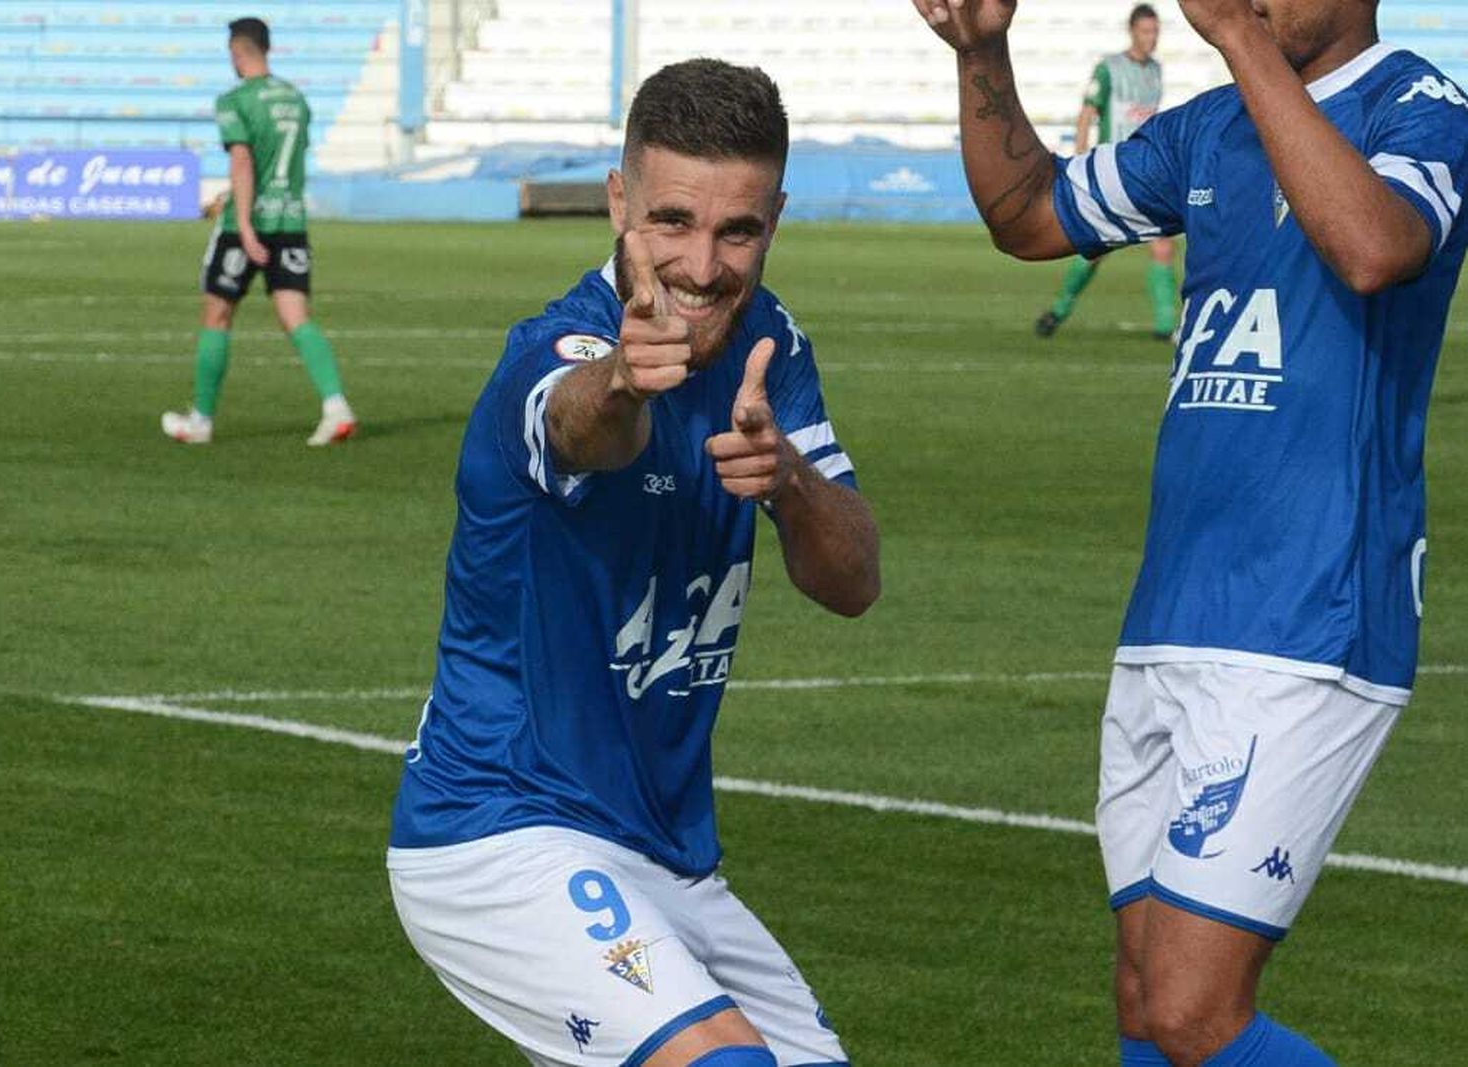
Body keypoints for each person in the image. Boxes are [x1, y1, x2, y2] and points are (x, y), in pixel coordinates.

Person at [911, 0, 1466, 1064]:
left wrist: (1239, 39)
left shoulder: (1422, 108)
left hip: (1309, 611)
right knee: (1141, 1001)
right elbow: (1027, 213)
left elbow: (1372, 248)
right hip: (1174, 608)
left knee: (1188, 1008)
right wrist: (982, 52)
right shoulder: (1208, 126)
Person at [385, 59, 878, 1067]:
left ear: (773, 218)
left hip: (667, 857)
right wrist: (625, 377)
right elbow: (581, 427)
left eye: (736, 229)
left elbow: (852, 581)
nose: (702, 265)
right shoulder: (555, 352)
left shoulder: (772, 343)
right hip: (497, 829)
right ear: (617, 200)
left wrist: (787, 479)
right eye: (671, 222)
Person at [161, 16, 356, 446]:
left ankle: (201, 420)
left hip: (247, 224)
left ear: (236, 51)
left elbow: (243, 161)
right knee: (295, 317)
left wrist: (245, 226)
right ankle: (335, 405)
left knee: (217, 313)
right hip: (291, 221)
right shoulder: (297, 99)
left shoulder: (235, 101)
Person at [1034, 4, 1178, 340]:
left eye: (1155, 31)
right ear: (1132, 31)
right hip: (1111, 171)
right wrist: (1081, 159)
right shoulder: (1109, 69)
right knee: (1094, 250)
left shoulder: (1156, 71)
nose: (1151, 38)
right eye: (1145, 31)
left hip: (1149, 173)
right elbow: (1087, 114)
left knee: (1162, 246)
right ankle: (1059, 309)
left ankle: (1165, 326)